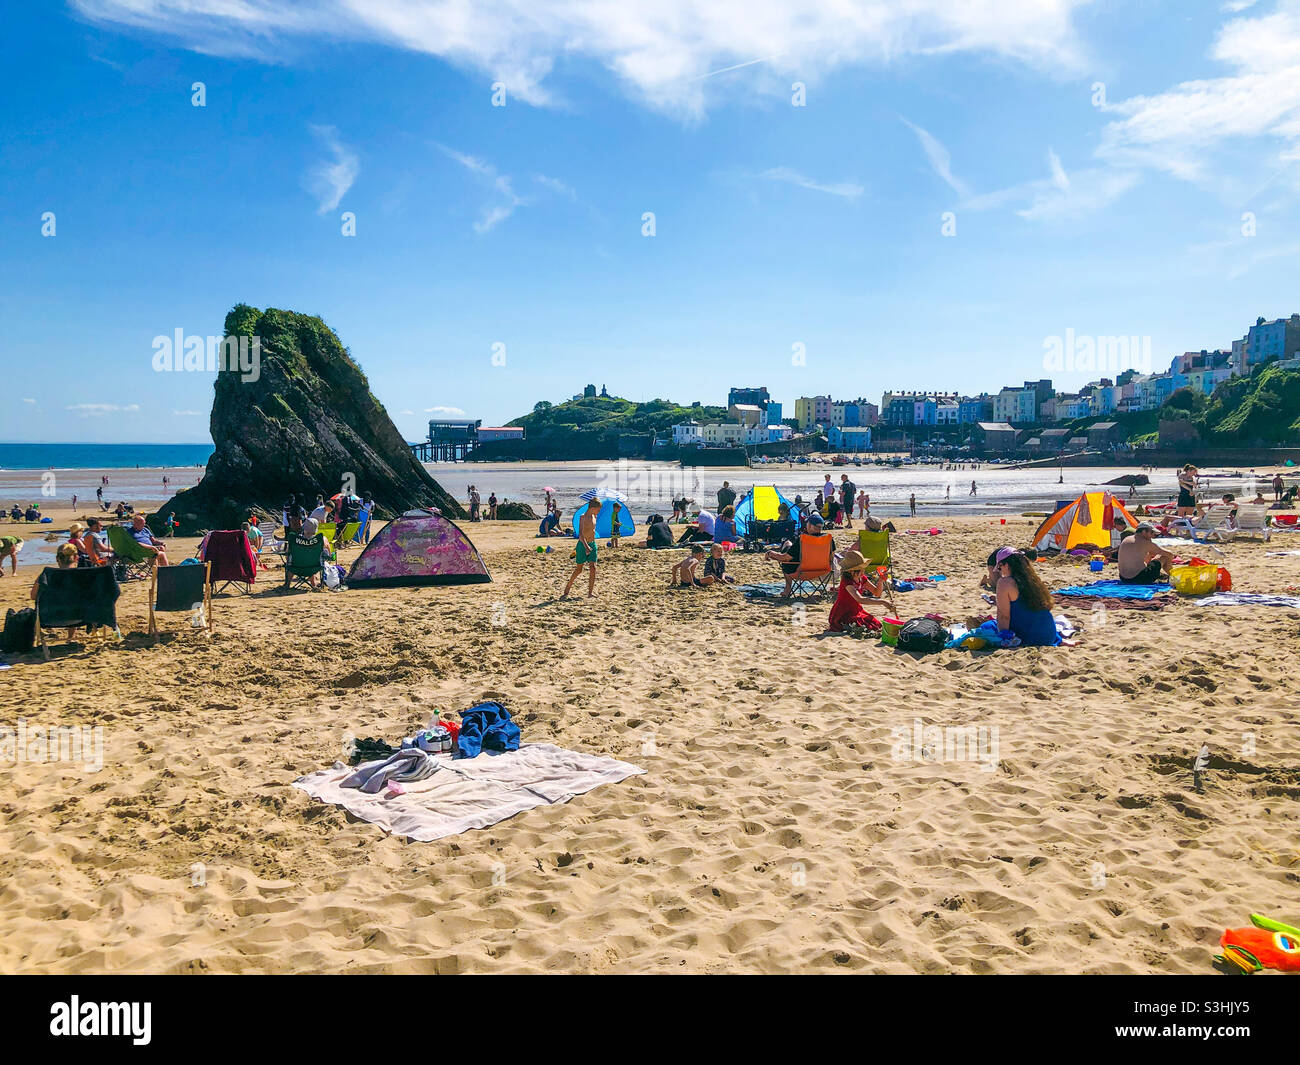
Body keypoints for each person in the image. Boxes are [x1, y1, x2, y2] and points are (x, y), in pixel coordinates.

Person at [994, 548, 1060, 647]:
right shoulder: (1032, 580)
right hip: (1050, 635)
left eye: (1000, 567)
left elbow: (1004, 616)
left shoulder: (1004, 582)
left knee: (988, 626)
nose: (1000, 572)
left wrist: (1003, 638)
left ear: (1006, 565)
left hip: (1030, 638)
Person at [828, 548, 890, 633]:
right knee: (864, 625)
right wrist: (883, 602)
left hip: (856, 609)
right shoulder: (847, 581)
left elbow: (877, 593)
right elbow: (859, 599)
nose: (862, 571)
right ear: (850, 571)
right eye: (859, 569)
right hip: (843, 612)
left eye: (863, 568)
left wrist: (880, 581)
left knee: (876, 624)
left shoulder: (862, 578)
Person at [765, 511, 824, 597]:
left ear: (810, 526)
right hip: (821, 571)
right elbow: (831, 557)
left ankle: (788, 589)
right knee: (788, 545)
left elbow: (785, 558)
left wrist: (771, 553)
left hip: (802, 571)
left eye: (807, 523)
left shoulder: (803, 540)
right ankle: (787, 544)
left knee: (786, 562)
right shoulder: (828, 539)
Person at [31, 544, 82, 642]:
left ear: (57, 558)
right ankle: (70, 637)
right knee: (73, 602)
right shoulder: (85, 576)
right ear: (76, 558)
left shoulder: (46, 575)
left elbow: (33, 596)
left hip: (49, 618)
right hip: (82, 618)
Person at [562, 503, 598, 598]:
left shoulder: (595, 516)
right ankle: (568, 586)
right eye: (598, 509)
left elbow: (592, 531)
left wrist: (591, 546)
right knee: (579, 569)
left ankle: (590, 593)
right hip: (582, 545)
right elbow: (581, 535)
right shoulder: (582, 517)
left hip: (592, 544)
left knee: (593, 567)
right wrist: (586, 547)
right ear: (593, 508)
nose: (599, 511)